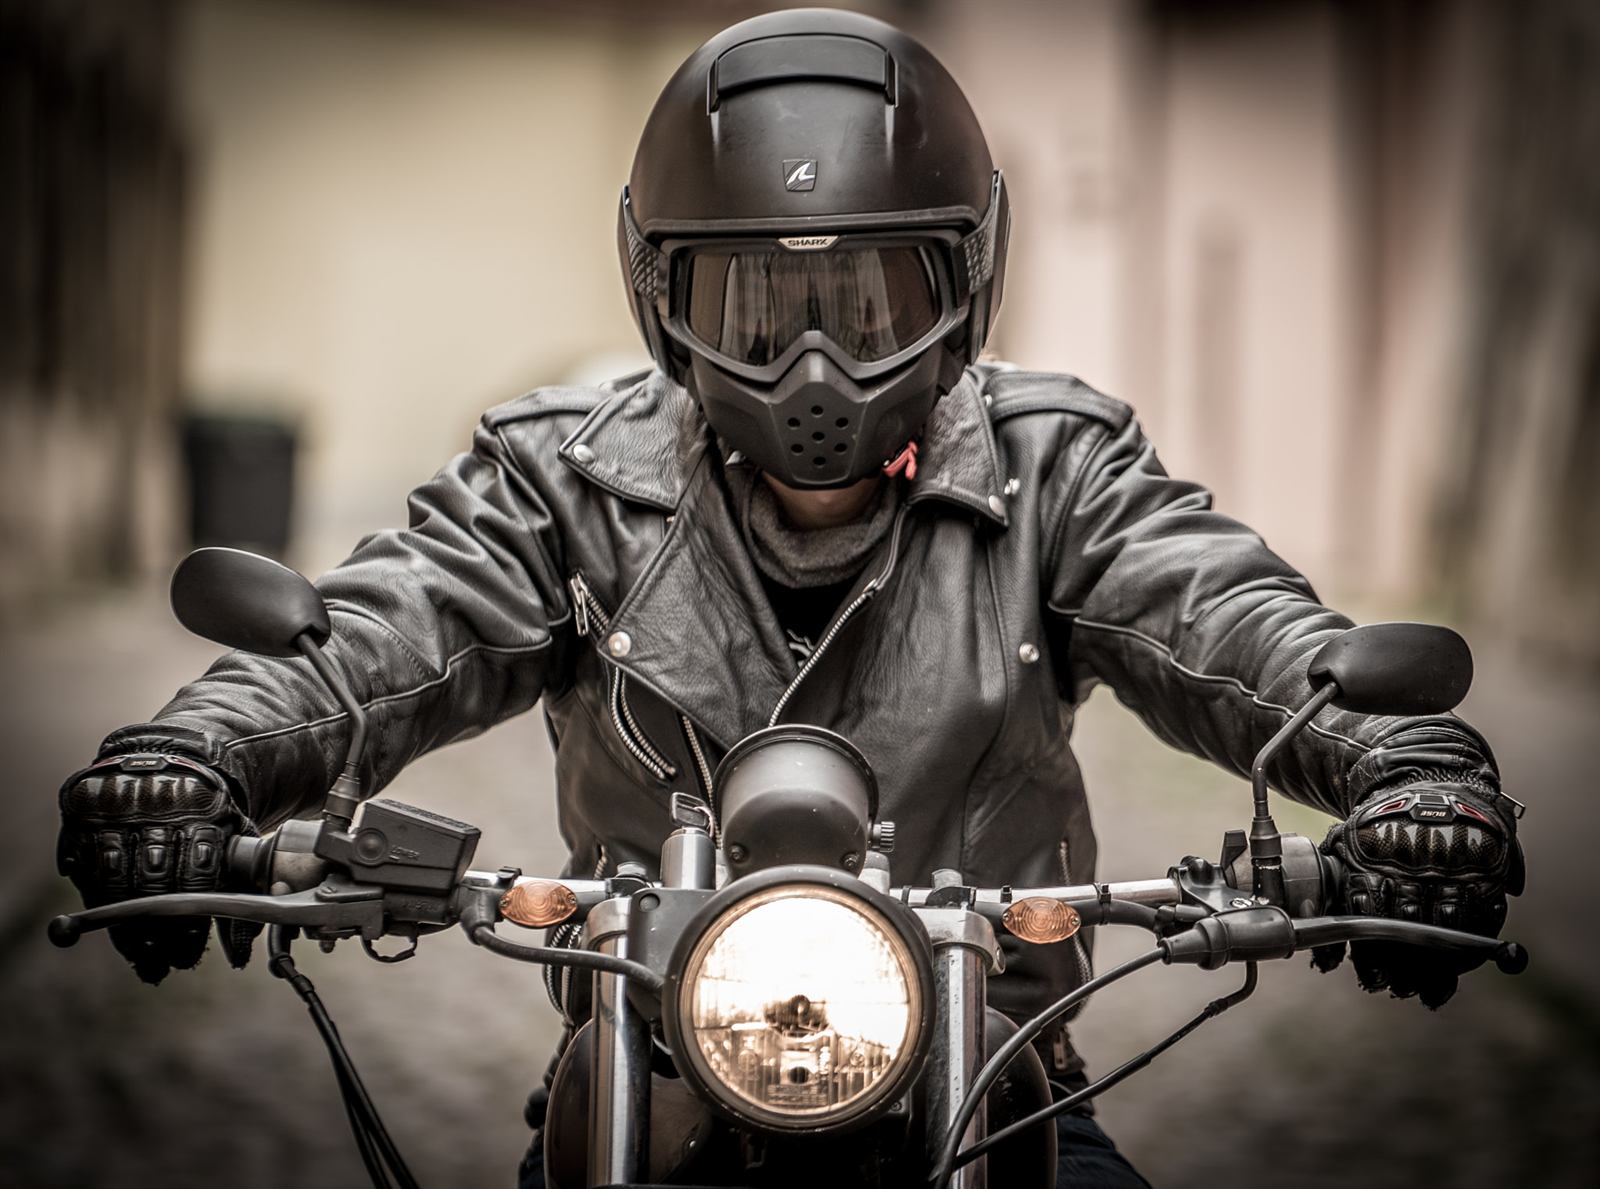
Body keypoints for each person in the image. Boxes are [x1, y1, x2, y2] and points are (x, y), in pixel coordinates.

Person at [55, 10, 1523, 1188]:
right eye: (755, 307)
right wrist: (195, 757)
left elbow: (1231, 621)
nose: (814, 367)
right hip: (654, 1062)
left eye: (870, 300)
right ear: (663, 299)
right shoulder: (561, 481)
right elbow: (381, 630)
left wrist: (1405, 769)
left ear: (965, 282)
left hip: (991, 1059)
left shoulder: (1056, 470)